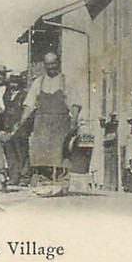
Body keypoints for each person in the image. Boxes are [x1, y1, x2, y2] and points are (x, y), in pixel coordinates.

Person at [12, 52, 81, 181]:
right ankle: (43, 181)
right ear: (44, 65)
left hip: (60, 124)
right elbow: (29, 104)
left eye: (53, 64)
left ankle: (60, 181)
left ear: (58, 63)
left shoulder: (67, 82)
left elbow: (75, 104)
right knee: (40, 154)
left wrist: (74, 121)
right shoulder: (38, 82)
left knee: (59, 155)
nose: (51, 67)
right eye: (48, 64)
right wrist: (21, 121)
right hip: (42, 124)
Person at [0, 65, 30, 187]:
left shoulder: (24, 95)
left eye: (16, 82)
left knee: (22, 152)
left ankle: (24, 177)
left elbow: (27, 112)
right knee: (10, 153)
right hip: (8, 127)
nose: (13, 85)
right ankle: (14, 177)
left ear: (20, 83)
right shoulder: (7, 95)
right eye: (12, 82)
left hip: (20, 128)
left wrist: (21, 125)